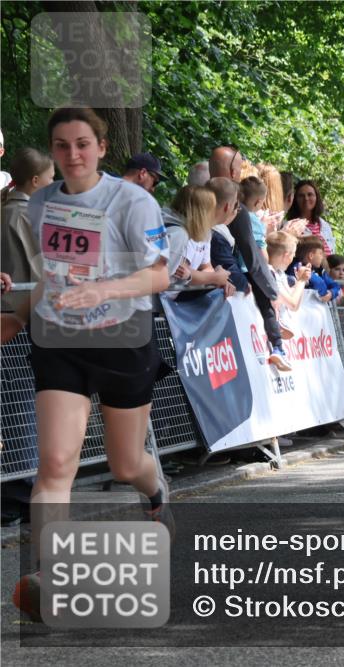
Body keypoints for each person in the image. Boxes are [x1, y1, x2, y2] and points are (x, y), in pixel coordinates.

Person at [4, 108, 173, 621]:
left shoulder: (133, 201)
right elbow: (46, 276)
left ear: (101, 147)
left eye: (82, 144)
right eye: (61, 145)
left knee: (126, 466)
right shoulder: (38, 204)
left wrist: (103, 288)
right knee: (55, 465)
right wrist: (15, 316)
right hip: (59, 340)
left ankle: (155, 489)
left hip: (122, 339)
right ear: (51, 153)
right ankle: (48, 576)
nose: (72, 155)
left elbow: (160, 276)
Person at [209, 146, 285, 369]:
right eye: (239, 166)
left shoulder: (197, 196)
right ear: (234, 171)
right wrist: (272, 290)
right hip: (230, 279)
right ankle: (278, 345)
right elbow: (252, 256)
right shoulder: (238, 210)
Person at [1, 148, 54, 310]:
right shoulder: (26, 214)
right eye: (51, 177)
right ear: (36, 180)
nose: (53, 183)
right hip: (22, 306)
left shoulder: (6, 207)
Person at [162, 185, 231, 296]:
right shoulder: (179, 235)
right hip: (154, 304)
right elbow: (160, 280)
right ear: (202, 213)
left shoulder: (169, 224)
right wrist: (215, 278)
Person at [266, 231, 312, 333]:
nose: (293, 259)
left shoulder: (280, 274)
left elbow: (294, 306)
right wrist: (301, 280)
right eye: (293, 255)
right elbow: (292, 304)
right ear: (286, 255)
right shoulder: (269, 274)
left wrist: (300, 282)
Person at [287, 180, 335, 255]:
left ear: (316, 197)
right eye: (301, 196)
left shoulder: (325, 226)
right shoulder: (291, 226)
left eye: (310, 194)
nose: (306, 198)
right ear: (295, 200)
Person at [292, 235, 338, 303]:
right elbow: (320, 286)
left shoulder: (320, 270)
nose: (323, 257)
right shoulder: (298, 268)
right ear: (311, 256)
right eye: (320, 253)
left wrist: (331, 293)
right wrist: (325, 292)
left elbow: (335, 285)